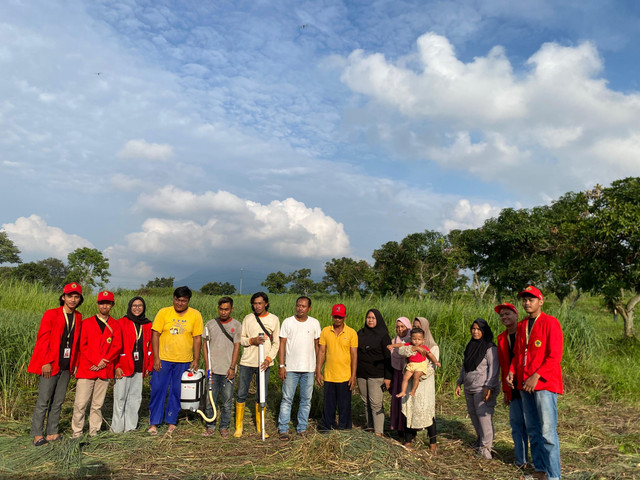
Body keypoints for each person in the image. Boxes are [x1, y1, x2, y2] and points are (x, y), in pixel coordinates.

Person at [507, 286, 563, 480]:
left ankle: (554, 476)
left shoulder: (550, 322)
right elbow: (517, 354)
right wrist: (512, 371)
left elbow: (555, 356)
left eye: (531, 299)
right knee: (533, 431)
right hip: (524, 384)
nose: (527, 303)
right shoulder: (522, 325)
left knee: (548, 432)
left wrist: (536, 376)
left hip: (544, 384)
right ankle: (540, 471)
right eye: (524, 300)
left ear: (541, 301)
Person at [28, 282, 84, 446]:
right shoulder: (51, 314)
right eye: (70, 296)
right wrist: (45, 361)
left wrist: (75, 363)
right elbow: (42, 339)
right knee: (43, 401)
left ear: (79, 299)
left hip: (66, 365)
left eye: (76, 296)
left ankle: (52, 432)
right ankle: (37, 434)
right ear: (63, 297)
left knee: (58, 401)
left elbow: (77, 343)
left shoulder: (79, 317)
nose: (73, 299)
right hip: (51, 364)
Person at [149, 286, 203, 435]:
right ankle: (154, 422)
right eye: (177, 300)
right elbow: (155, 335)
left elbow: (197, 338)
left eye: (183, 301)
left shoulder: (195, 315)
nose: (179, 303)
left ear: (188, 301)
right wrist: (156, 357)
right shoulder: (163, 312)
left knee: (176, 391)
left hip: (184, 360)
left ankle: (171, 421)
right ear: (173, 298)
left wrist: (196, 359)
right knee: (158, 389)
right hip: (163, 360)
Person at [72, 291, 122, 437]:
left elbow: (117, 346)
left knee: (97, 405)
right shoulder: (86, 323)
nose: (104, 305)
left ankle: (94, 431)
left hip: (104, 369)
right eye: (102, 302)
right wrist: (96, 361)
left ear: (112, 304)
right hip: (87, 368)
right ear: (97, 304)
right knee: (80, 404)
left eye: (107, 303)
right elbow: (83, 345)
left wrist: (104, 361)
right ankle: (77, 432)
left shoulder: (115, 324)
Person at [234, 292, 280, 438]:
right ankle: (239, 427)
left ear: (266, 303)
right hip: (247, 361)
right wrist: (251, 341)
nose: (257, 306)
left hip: (263, 364)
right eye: (255, 303)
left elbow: (277, 343)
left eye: (260, 303)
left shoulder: (274, 319)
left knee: (262, 394)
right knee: (241, 393)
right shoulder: (248, 318)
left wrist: (268, 359)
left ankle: (261, 427)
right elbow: (240, 339)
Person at [277, 296, 321, 440]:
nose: (300, 308)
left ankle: (302, 428)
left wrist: (317, 368)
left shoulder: (314, 323)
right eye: (298, 305)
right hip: (290, 369)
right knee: (287, 399)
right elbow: (282, 344)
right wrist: (281, 365)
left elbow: (317, 346)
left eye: (303, 306)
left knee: (306, 400)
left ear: (309, 308)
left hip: (308, 369)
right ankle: (283, 428)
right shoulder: (288, 322)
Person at [455, 318, 499, 459]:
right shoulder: (471, 345)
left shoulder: (490, 348)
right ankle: (480, 441)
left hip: (482, 388)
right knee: (474, 415)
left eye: (478, 329)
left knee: (483, 417)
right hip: (469, 387)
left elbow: (494, 369)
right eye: (473, 328)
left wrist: (488, 387)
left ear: (484, 331)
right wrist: (459, 382)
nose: (475, 331)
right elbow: (465, 366)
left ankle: (486, 450)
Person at [111, 296, 153, 433]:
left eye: (140, 305)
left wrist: (148, 366)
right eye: (134, 305)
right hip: (123, 366)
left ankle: (130, 427)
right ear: (130, 307)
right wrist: (116, 366)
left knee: (135, 398)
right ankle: (117, 428)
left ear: (144, 307)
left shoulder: (147, 325)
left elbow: (150, 347)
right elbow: (115, 347)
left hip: (139, 366)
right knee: (120, 397)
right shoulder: (121, 322)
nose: (137, 308)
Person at [495, 302, 529, 469]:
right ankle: (520, 461)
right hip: (512, 386)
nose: (504, 317)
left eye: (508, 313)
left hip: (529, 384)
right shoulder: (501, 338)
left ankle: (539, 462)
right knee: (516, 424)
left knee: (533, 425)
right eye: (502, 315)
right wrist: (505, 390)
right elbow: (503, 364)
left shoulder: (527, 332)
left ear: (516, 315)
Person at [202, 296, 241, 438]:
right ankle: (210, 426)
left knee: (226, 400)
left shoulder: (236, 325)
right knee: (210, 400)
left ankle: (224, 427)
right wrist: (208, 366)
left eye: (226, 309)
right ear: (218, 309)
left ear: (231, 309)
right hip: (213, 370)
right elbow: (204, 347)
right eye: (221, 309)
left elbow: (237, 347)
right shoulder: (210, 324)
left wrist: (232, 367)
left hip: (227, 371)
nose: (223, 312)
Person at [398, 317, 439, 451]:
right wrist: (415, 348)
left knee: (427, 412)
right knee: (410, 410)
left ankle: (433, 441)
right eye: (414, 326)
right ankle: (408, 439)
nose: (416, 329)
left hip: (425, 385)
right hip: (410, 384)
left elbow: (433, 366)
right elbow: (401, 351)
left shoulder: (433, 347)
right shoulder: (409, 344)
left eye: (419, 327)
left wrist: (420, 374)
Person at [315, 303, 358, 431]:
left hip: (345, 376)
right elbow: (322, 352)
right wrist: (318, 371)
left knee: (344, 406)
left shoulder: (351, 333)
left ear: (344, 317)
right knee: (328, 406)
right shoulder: (326, 331)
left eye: (340, 317)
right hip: (329, 375)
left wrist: (353, 375)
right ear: (332, 316)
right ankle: (327, 429)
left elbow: (354, 355)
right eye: (335, 317)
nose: (337, 319)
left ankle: (344, 430)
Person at [356, 308, 392, 436]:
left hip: (377, 375)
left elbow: (388, 358)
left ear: (378, 319)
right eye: (368, 317)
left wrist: (388, 377)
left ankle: (378, 432)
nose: (370, 320)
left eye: (373, 318)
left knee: (376, 403)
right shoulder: (360, 333)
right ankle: (370, 427)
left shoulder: (383, 335)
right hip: (361, 373)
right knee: (366, 402)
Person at [390, 327, 441, 398]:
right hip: (411, 364)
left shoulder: (424, 348)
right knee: (405, 377)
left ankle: (413, 390)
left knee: (416, 376)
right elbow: (400, 345)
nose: (416, 341)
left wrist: (436, 362)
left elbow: (430, 355)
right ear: (411, 338)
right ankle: (403, 391)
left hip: (420, 365)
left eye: (419, 339)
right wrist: (392, 346)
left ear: (423, 340)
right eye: (414, 339)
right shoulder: (410, 345)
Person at [389, 317, 412, 439]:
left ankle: (409, 430)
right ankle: (398, 428)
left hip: (407, 375)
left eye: (402, 326)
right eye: (397, 327)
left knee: (406, 402)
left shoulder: (412, 341)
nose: (400, 329)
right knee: (397, 402)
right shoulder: (394, 341)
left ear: (408, 327)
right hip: (397, 375)